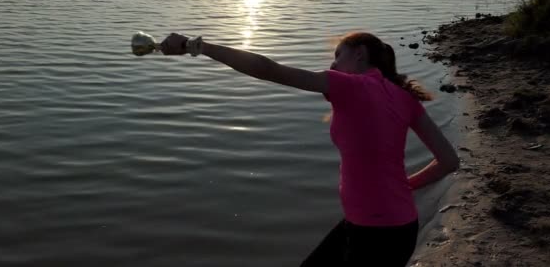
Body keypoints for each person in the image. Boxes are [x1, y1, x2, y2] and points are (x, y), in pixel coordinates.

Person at [160, 31, 460, 266]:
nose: (332, 65)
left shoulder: (348, 86)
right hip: (395, 227)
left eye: (337, 55)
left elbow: (268, 69)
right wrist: (405, 187)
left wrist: (196, 46)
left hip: (375, 233)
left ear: (359, 54)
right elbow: (448, 160)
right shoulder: (404, 98)